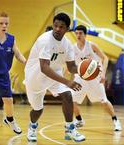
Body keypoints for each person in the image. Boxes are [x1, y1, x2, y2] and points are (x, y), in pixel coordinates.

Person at [24, 13, 85, 142]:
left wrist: (85, 70)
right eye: (55, 25)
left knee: (68, 95)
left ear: (67, 29)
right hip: (35, 78)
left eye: (61, 27)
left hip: (54, 75)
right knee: (37, 110)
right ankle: (32, 126)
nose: (57, 29)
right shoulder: (44, 40)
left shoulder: (67, 45)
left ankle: (70, 128)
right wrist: (67, 81)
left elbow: (71, 67)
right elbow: (44, 67)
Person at [71, 25, 122, 131]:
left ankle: (115, 120)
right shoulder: (73, 48)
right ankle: (79, 120)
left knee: (104, 102)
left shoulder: (92, 46)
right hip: (80, 78)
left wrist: (103, 73)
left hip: (94, 78)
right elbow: (70, 65)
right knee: (70, 100)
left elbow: (105, 58)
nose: (78, 35)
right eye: (76, 33)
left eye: (80, 33)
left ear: (85, 34)